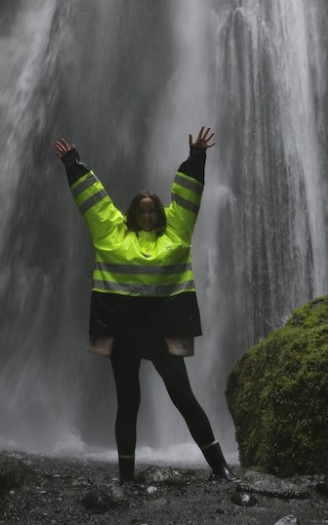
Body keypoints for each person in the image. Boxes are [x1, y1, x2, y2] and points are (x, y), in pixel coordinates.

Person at [54, 127, 237, 484]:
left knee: (184, 397)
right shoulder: (112, 232)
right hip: (123, 333)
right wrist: (72, 164)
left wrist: (197, 157)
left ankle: (220, 467)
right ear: (134, 213)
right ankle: (125, 477)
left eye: (153, 210)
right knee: (128, 403)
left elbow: (187, 200)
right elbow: (94, 203)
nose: (149, 215)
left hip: (162, 332)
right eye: (143, 210)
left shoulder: (176, 233)